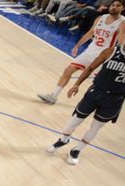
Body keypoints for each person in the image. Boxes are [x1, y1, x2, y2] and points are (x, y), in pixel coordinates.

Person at [46, 25, 125, 165]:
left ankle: (76, 150)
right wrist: (77, 84)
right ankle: (63, 140)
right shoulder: (111, 51)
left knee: (95, 127)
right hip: (96, 92)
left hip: (115, 98)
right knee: (74, 121)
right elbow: (90, 68)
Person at [38, 0, 124, 104]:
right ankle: (53, 96)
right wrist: (77, 46)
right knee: (68, 70)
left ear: (123, 8)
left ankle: (98, 104)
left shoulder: (122, 22)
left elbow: (120, 43)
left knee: (100, 83)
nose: (114, 7)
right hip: (90, 51)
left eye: (118, 5)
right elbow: (90, 33)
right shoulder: (101, 18)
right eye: (113, 5)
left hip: (103, 57)